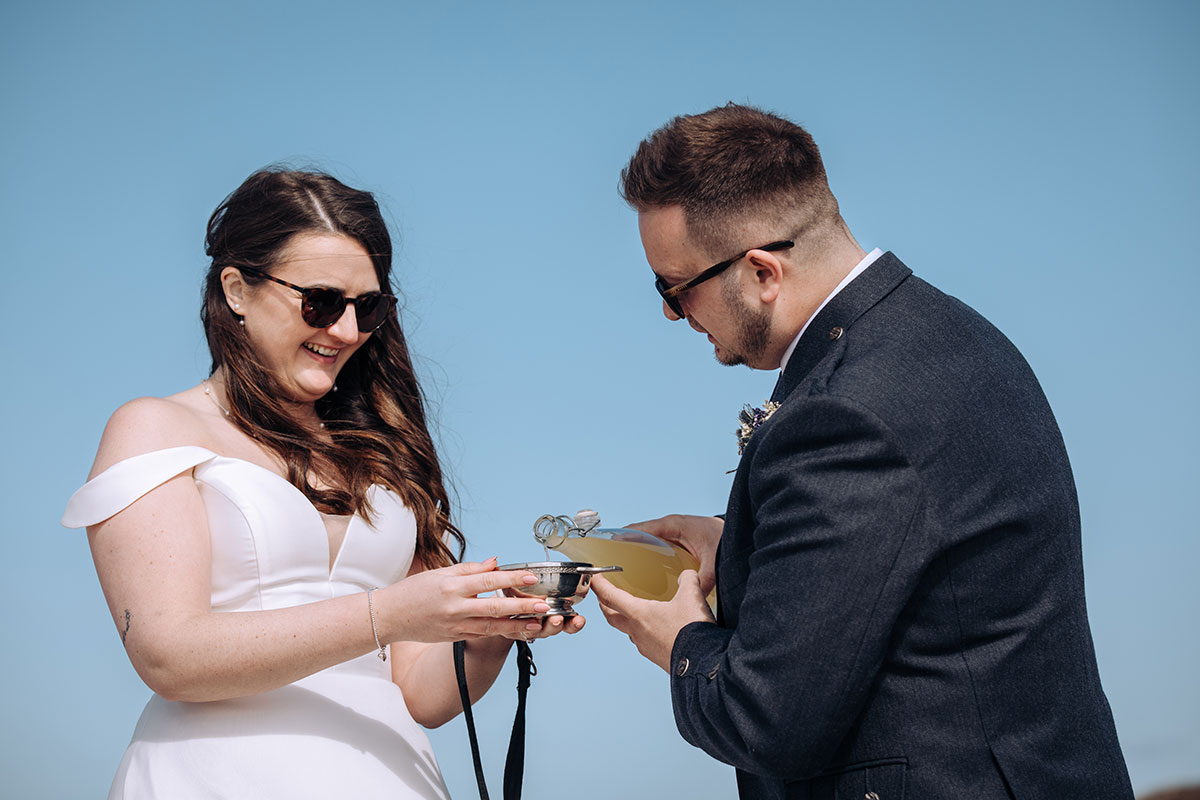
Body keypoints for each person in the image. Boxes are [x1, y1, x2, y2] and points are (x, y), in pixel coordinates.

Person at [590, 104, 1134, 799]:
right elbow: (926, 577)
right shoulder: (952, 339)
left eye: (675, 289)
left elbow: (769, 720)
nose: (673, 315)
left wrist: (679, 637)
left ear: (761, 271)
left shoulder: (842, 413)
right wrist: (739, 553)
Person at [61, 168, 582, 799]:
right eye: (321, 301)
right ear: (237, 289)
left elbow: (418, 691)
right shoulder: (155, 427)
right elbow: (168, 656)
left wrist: (488, 630)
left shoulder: (380, 452)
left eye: (368, 308)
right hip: (216, 777)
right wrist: (387, 613)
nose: (345, 331)